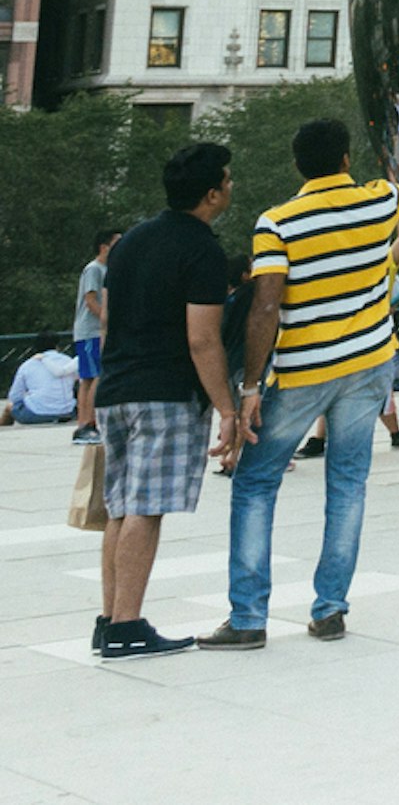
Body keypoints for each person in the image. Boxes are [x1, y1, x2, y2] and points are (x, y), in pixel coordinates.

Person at [214, 110, 399, 638]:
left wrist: (251, 387)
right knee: (347, 485)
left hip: (304, 370)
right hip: (370, 364)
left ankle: (249, 617)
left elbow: (265, 307)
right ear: (346, 160)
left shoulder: (277, 222)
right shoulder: (379, 199)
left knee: (255, 483)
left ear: (299, 166)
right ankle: (329, 609)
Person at [91, 142, 238, 658]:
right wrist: (226, 408)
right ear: (211, 194)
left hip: (116, 389)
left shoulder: (130, 241)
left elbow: (108, 321)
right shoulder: (202, 250)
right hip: (165, 392)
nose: (230, 186)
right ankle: (128, 627)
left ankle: (109, 618)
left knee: (120, 507)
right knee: (146, 509)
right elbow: (202, 339)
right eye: (226, 179)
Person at [73, 228, 113, 441]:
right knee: (94, 376)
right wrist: (107, 321)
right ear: (104, 247)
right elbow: (91, 301)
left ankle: (87, 422)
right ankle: (86, 424)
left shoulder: (108, 269)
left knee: (90, 377)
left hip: (97, 331)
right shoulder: (94, 269)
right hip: (91, 331)